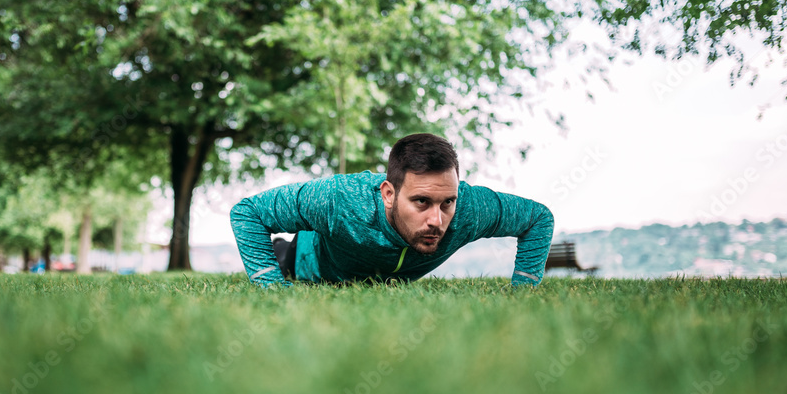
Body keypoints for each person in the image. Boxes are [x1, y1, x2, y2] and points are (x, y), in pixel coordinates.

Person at [230, 133, 554, 287]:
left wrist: (523, 290)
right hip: (304, 262)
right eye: (421, 202)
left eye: (447, 203)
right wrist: (272, 288)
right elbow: (248, 213)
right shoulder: (338, 199)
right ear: (388, 193)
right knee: (280, 252)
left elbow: (538, 218)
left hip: (381, 277)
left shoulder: (470, 209)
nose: (436, 220)